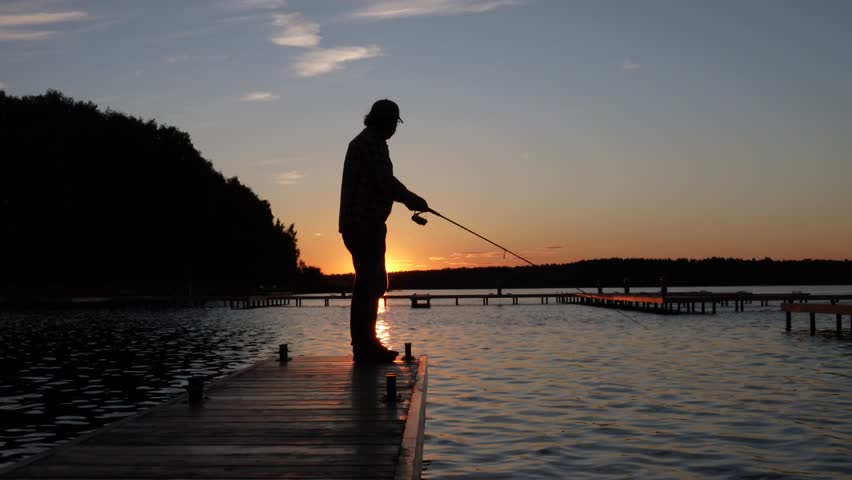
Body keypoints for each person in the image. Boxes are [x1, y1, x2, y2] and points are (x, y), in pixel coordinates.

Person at [339, 99, 428, 363]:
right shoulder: (373, 143)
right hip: (365, 223)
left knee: (371, 281)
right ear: (387, 121)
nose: (395, 129)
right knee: (371, 282)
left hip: (358, 223)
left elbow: (382, 182)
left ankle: (366, 343)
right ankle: (365, 346)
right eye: (394, 122)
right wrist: (412, 199)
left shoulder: (362, 141)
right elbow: (384, 181)